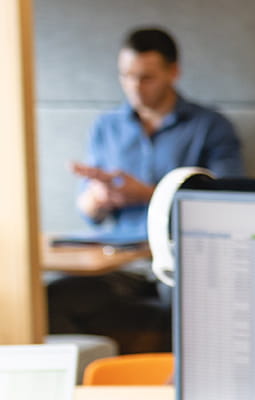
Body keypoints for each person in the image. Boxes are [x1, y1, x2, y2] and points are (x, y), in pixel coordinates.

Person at [50, 27, 244, 347]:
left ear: (173, 73)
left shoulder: (209, 127)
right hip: (120, 263)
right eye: (126, 76)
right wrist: (99, 198)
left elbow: (225, 203)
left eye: (146, 77)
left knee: (193, 301)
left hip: (177, 258)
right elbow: (87, 212)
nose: (134, 87)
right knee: (51, 299)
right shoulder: (107, 126)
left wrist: (147, 194)